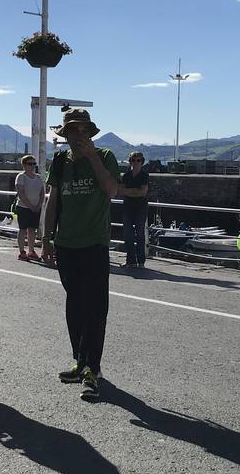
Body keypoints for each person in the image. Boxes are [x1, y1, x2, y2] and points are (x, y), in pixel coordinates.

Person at [42, 108, 120, 400]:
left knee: (95, 308)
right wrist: (46, 238)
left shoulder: (106, 157)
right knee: (74, 306)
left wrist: (93, 159)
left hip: (95, 242)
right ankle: (79, 360)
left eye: (83, 130)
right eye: (72, 130)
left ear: (90, 132)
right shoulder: (61, 160)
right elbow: (53, 200)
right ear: (65, 134)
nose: (78, 135)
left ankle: (92, 370)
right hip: (66, 243)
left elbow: (112, 190)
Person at [121, 151, 150, 269]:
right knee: (128, 235)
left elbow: (143, 192)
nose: (135, 162)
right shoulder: (126, 176)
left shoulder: (144, 175)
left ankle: (141, 261)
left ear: (142, 162)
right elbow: (121, 190)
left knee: (140, 235)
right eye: (133, 160)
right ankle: (130, 260)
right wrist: (135, 191)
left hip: (140, 208)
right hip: (127, 208)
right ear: (130, 161)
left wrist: (130, 191)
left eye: (138, 160)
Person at [14, 154, 44, 261]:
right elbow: (21, 193)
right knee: (22, 229)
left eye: (34, 164)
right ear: (24, 165)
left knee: (32, 229)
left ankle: (31, 251)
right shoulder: (21, 177)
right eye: (30, 164)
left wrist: (39, 205)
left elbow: (42, 193)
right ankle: (22, 251)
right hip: (23, 207)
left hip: (36, 207)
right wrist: (30, 206)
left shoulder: (38, 178)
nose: (32, 166)